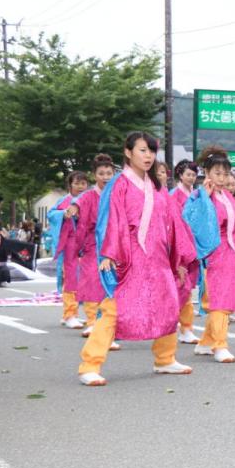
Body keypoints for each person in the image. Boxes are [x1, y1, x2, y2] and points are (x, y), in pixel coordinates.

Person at [77, 132, 197, 386]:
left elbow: (175, 223)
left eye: (152, 151)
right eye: (143, 150)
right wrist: (109, 253)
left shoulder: (157, 187)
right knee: (114, 309)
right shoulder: (119, 184)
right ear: (128, 152)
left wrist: (180, 260)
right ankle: (90, 364)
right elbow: (109, 219)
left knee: (168, 304)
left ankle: (165, 359)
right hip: (128, 256)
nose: (148, 156)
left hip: (159, 257)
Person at [186, 148, 235, 363]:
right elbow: (190, 219)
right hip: (216, 251)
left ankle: (206, 341)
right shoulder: (200, 195)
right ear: (206, 173)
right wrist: (204, 198)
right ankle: (219, 344)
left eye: (225, 174)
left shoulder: (228, 197)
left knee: (225, 295)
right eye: (217, 173)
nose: (222, 178)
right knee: (221, 298)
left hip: (232, 251)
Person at [76, 155, 116, 342]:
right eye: (101, 173)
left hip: (115, 244)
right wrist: (73, 209)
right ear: (95, 175)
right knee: (93, 280)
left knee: (112, 283)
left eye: (109, 173)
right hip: (94, 244)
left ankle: (110, 322)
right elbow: (77, 204)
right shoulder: (89, 196)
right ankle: (92, 321)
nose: (106, 176)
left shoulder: (118, 193)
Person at [47, 171, 90, 329]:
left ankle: (75, 313)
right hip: (69, 245)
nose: (80, 186)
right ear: (70, 185)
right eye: (77, 183)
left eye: (83, 183)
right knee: (70, 279)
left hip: (85, 245)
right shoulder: (64, 201)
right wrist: (63, 214)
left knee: (84, 280)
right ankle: (69, 314)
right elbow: (51, 214)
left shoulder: (89, 199)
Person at [170, 160, 201, 344]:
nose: (191, 177)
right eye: (188, 174)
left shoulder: (195, 194)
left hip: (193, 244)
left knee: (187, 288)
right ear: (180, 175)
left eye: (193, 174)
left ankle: (186, 327)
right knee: (179, 287)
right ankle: (174, 325)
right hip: (179, 246)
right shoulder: (174, 195)